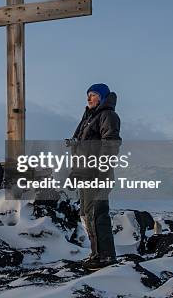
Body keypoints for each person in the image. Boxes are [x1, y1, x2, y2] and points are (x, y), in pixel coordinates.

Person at [67, 83, 121, 270]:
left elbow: (111, 144)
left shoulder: (108, 116)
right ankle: (96, 254)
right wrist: (74, 174)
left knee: (97, 214)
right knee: (86, 214)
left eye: (94, 95)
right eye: (88, 95)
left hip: (98, 174)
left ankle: (105, 257)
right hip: (85, 175)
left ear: (103, 98)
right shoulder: (88, 119)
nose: (89, 98)